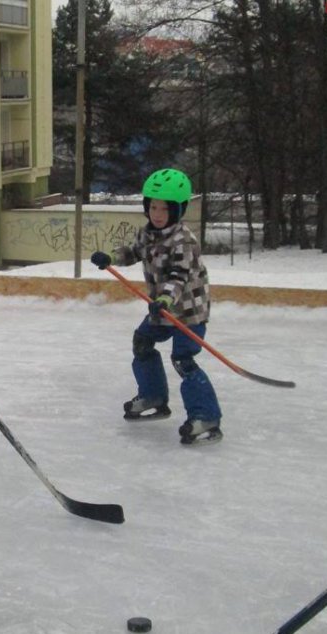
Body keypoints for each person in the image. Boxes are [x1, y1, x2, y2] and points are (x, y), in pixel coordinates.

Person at [90, 168, 223, 445]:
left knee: (183, 360)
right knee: (142, 342)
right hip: (161, 309)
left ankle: (206, 416)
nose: (158, 213)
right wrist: (111, 258)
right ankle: (153, 396)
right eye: (153, 206)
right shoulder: (148, 233)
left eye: (164, 208)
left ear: (178, 210)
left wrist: (164, 299)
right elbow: (133, 252)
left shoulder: (183, 240)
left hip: (187, 312)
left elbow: (179, 277)